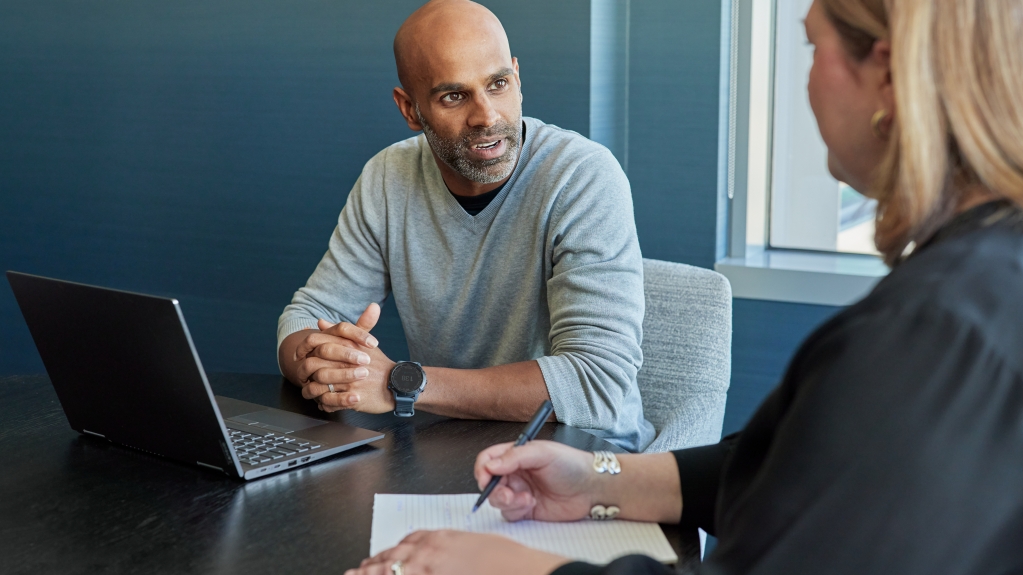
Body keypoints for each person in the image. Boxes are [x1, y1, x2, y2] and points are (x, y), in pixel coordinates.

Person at [348, 0, 1023, 573]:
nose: (805, 84)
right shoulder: (981, 279)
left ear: (882, 72)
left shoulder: (926, 333)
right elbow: (785, 469)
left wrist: (519, 565)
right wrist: (599, 481)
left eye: (810, 48)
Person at [276, 0, 655, 452]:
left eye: (498, 84)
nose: (487, 116)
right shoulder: (387, 177)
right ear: (410, 109)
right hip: (452, 446)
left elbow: (597, 386)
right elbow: (305, 317)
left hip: (585, 456)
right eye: (454, 96)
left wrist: (404, 383)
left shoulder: (583, 177)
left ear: (517, 77)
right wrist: (331, 363)